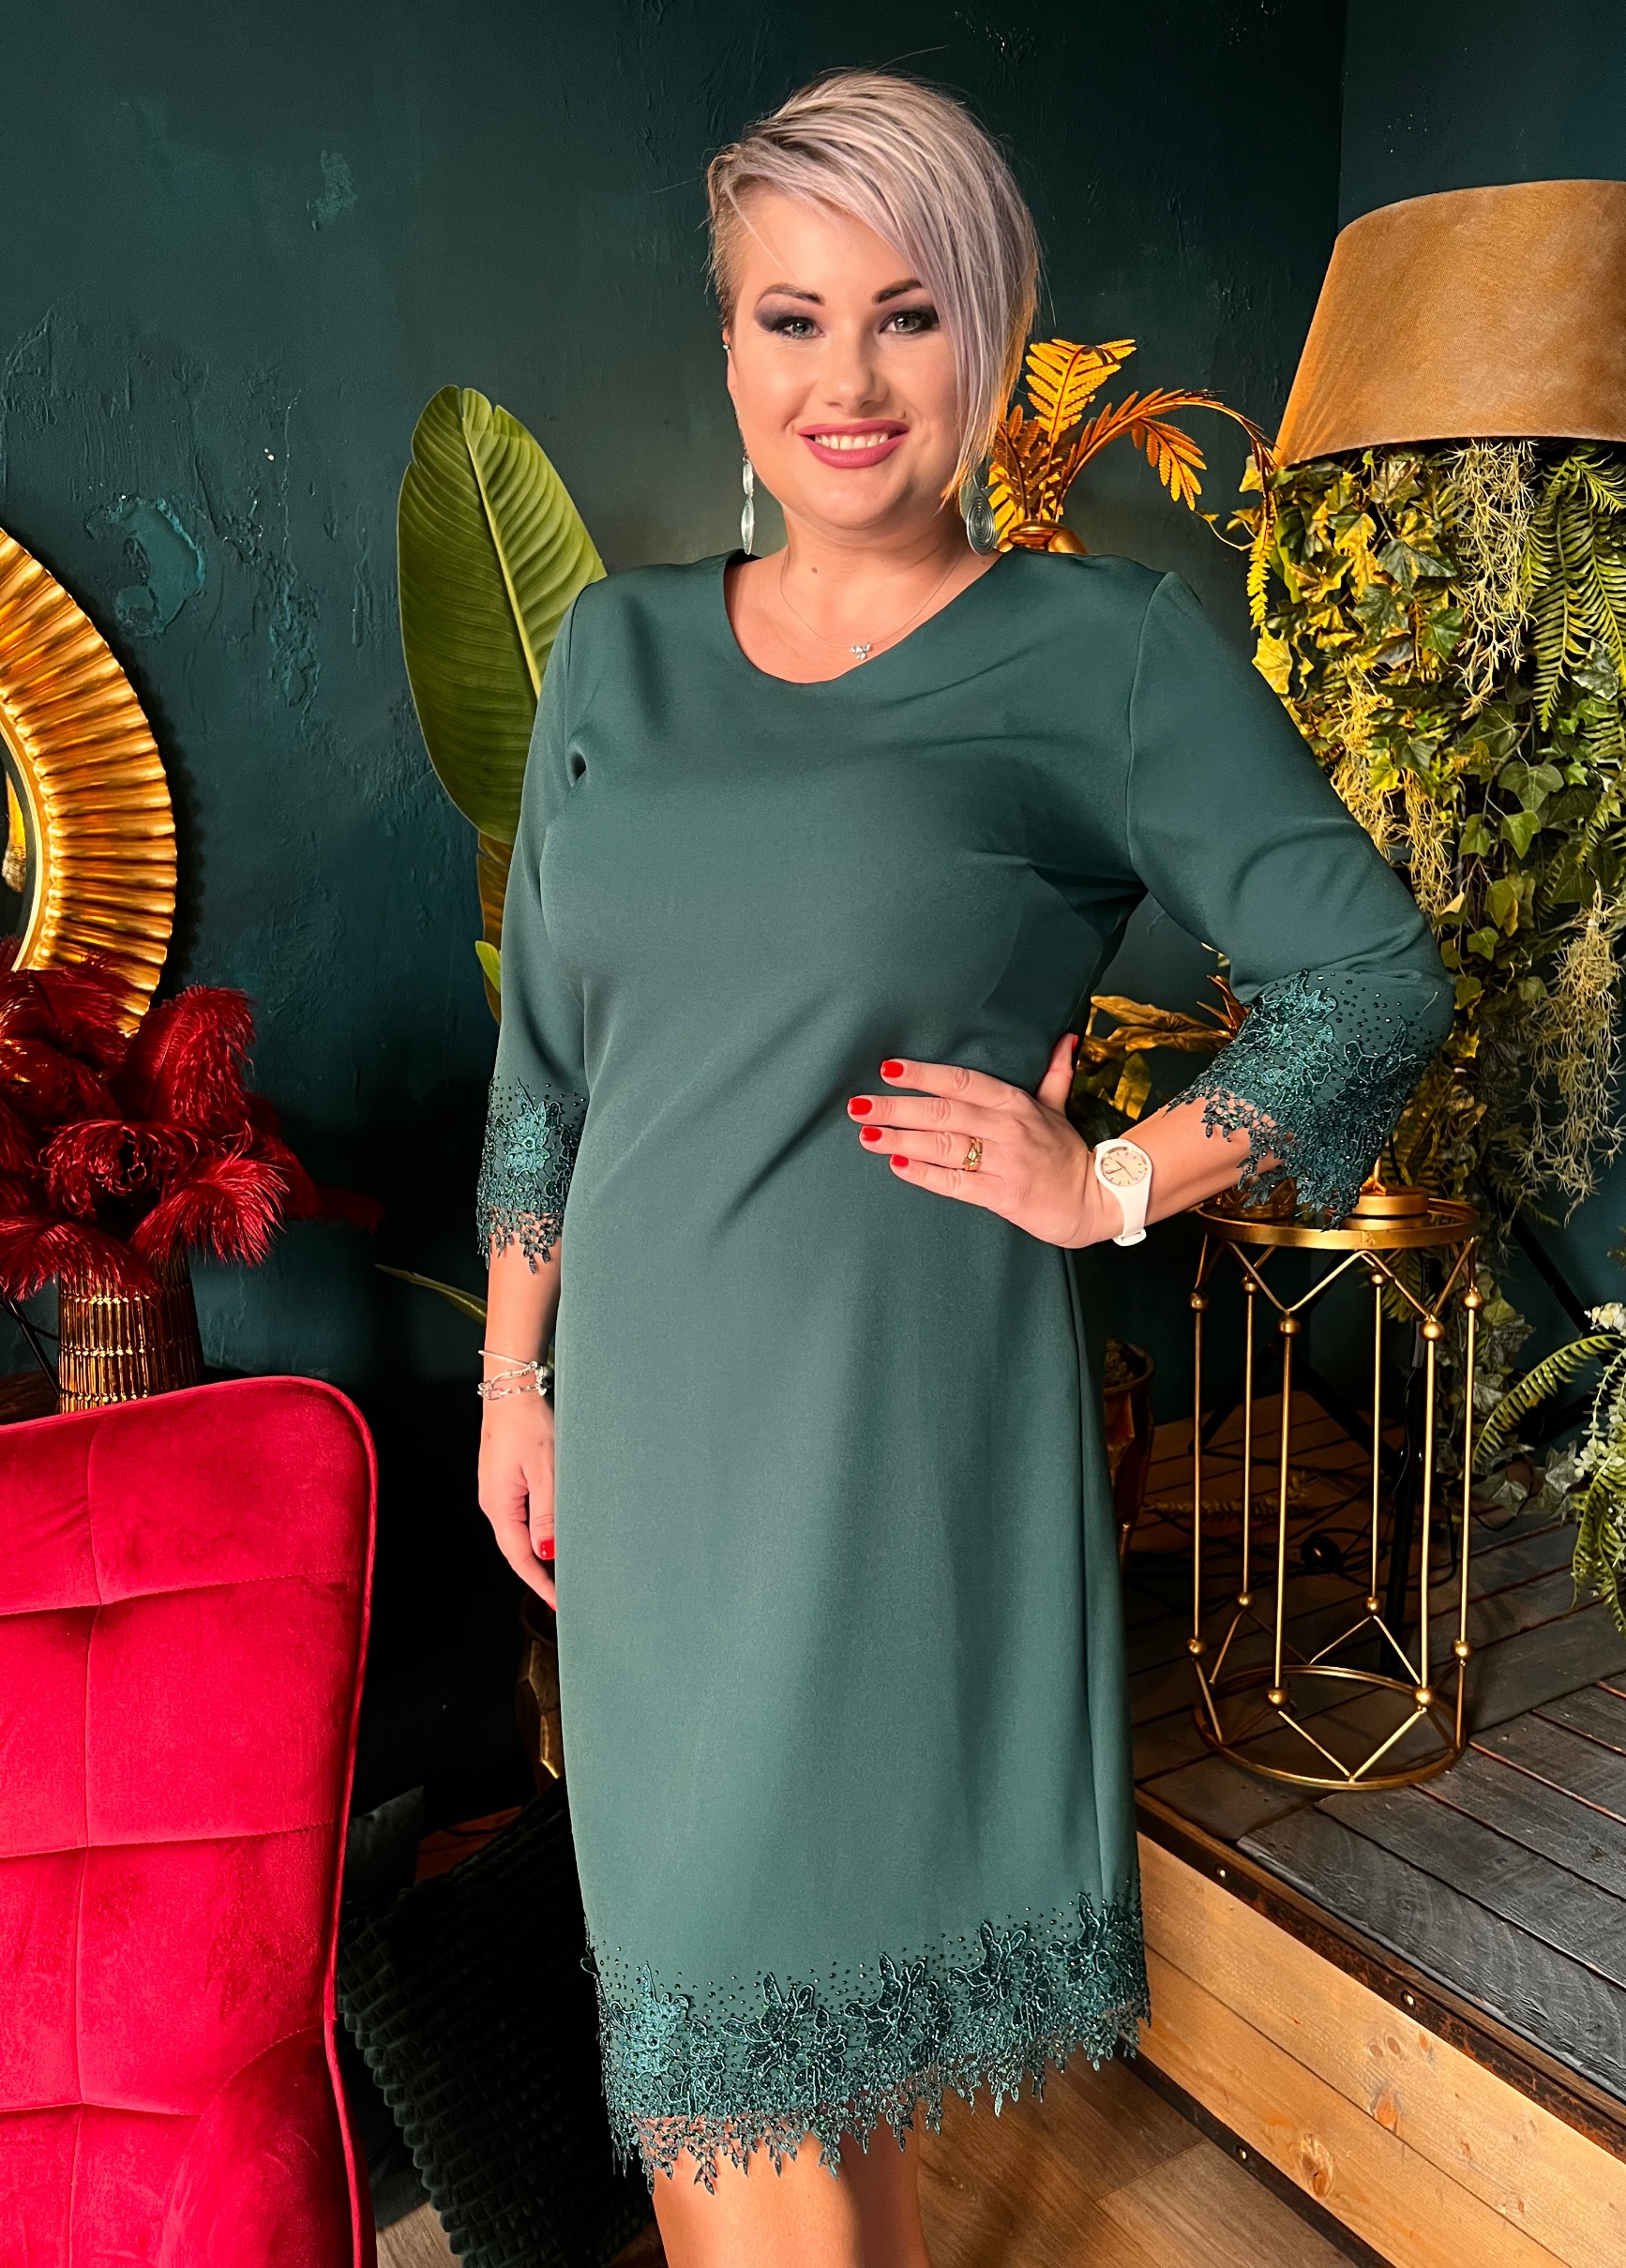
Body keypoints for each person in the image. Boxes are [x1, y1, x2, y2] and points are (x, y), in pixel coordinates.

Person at [474, 69, 1449, 2268]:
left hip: (887, 1444)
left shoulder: (1096, 655)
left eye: (906, 315)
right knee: (766, 2064)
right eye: (791, 316)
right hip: (646, 1455)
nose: (847, 379)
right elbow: (547, 1054)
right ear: (728, 343)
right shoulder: (614, 648)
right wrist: (515, 1377)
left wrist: (1110, 1181)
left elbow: (1371, 977)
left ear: (986, 337)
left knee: (764, 2073)